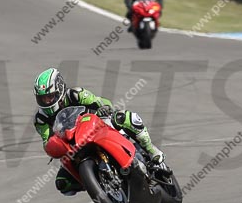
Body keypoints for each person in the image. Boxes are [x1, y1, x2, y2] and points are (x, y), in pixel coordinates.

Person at [33, 68, 171, 195]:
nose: (46, 101)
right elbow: (48, 140)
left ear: (60, 89)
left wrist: (103, 108)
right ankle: (95, 182)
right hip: (72, 144)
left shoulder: (76, 94)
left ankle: (151, 150)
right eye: (42, 98)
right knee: (62, 183)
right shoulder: (40, 119)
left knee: (124, 117)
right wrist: (52, 147)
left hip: (95, 126)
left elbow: (101, 102)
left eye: (49, 96)